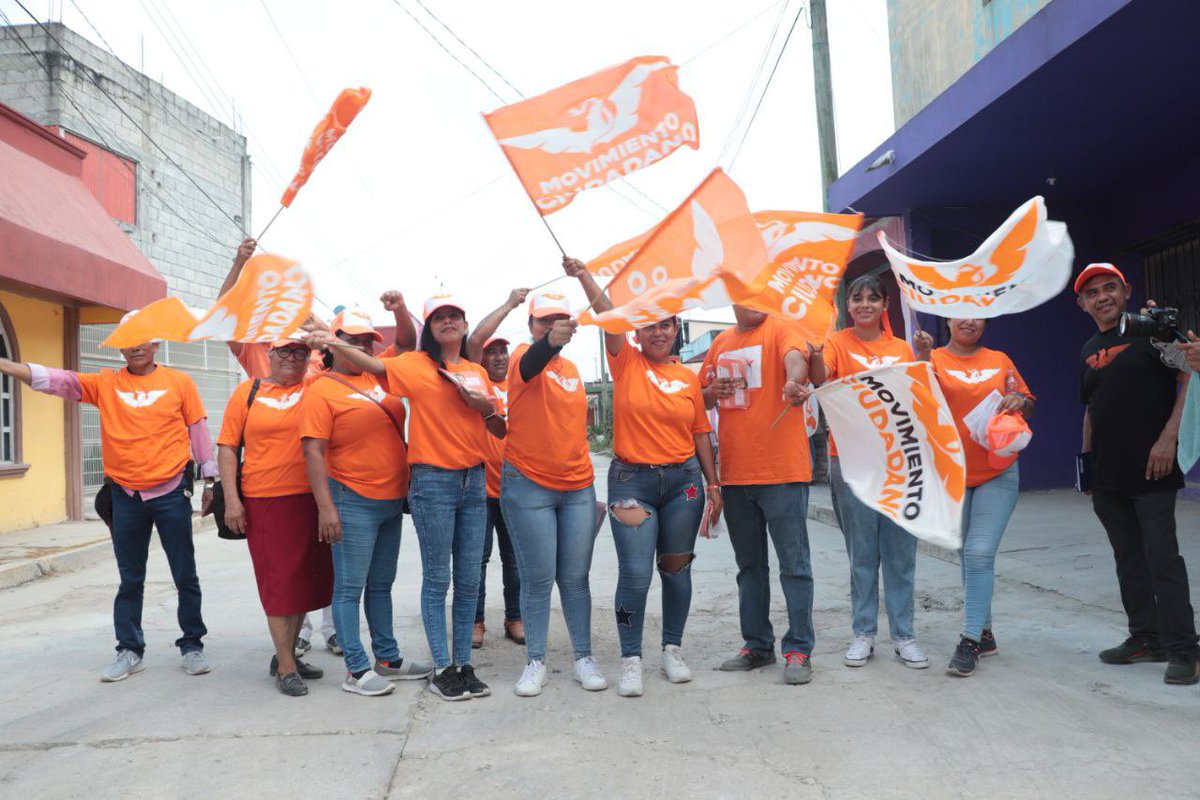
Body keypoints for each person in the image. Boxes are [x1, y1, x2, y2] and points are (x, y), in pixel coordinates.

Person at [0, 335, 216, 681]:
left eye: (142, 341)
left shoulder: (179, 381)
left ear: (156, 345)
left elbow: (198, 429)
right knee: (130, 579)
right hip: (125, 495)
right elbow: (57, 380)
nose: (136, 347)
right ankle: (129, 649)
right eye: (128, 342)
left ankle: (192, 644)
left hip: (172, 491)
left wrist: (210, 479)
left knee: (184, 574)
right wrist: (8, 365)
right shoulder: (106, 384)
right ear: (120, 348)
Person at [328, 296, 505, 702]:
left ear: (464, 324)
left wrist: (483, 408)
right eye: (439, 318)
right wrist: (330, 339)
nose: (448, 322)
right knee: (438, 578)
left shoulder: (477, 371)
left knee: (470, 579)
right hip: (433, 483)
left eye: (454, 316)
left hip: (474, 482)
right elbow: (374, 365)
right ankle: (442, 667)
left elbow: (498, 430)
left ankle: (463, 664)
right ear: (429, 328)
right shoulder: (415, 365)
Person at [584, 274, 721, 697]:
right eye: (649, 325)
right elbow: (608, 316)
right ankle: (631, 659)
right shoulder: (626, 361)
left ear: (675, 328)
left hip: (684, 483)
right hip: (632, 483)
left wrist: (714, 485)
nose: (658, 332)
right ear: (637, 332)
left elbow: (700, 432)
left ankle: (672, 650)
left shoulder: (687, 379)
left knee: (676, 571)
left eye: (665, 324)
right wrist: (585, 276)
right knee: (637, 575)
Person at [1075, 263, 1198, 685]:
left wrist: (1169, 440)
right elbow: (1091, 409)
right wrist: (1087, 466)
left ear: (1126, 291)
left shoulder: (1154, 333)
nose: (1103, 296)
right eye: (1093, 292)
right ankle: (1146, 638)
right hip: (1108, 475)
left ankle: (1185, 649)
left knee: (1162, 559)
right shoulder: (1089, 347)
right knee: (1128, 559)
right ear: (1083, 303)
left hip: (1153, 468)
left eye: (1110, 288)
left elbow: (1191, 377)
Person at [301, 309, 433, 697]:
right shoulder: (321, 389)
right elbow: (313, 451)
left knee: (381, 585)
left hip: (391, 499)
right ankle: (356, 668)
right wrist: (326, 508)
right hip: (351, 498)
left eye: (366, 341)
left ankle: (387, 658)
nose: (361, 346)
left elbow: (409, 340)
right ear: (333, 343)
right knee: (349, 587)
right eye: (352, 339)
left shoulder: (381, 374)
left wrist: (399, 306)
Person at [810, 273, 934, 670]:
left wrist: (925, 358)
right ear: (848, 306)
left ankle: (904, 635)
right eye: (858, 298)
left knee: (900, 553)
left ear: (884, 306)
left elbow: (919, 396)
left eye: (873, 298)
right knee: (861, 553)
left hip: (899, 462)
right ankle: (863, 632)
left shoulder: (902, 348)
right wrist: (814, 353)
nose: (865, 304)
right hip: (850, 459)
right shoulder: (836, 343)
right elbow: (818, 378)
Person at [501, 273, 607, 698]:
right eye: (545, 321)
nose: (553, 325)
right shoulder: (523, 357)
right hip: (529, 484)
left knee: (576, 578)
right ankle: (535, 662)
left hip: (578, 485)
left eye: (561, 319)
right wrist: (548, 343)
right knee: (538, 579)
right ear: (532, 326)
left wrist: (584, 277)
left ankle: (583, 657)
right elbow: (531, 365)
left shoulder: (575, 370)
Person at [702, 304, 819, 685]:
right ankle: (757, 645)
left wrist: (792, 382)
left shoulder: (781, 329)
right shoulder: (720, 342)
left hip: (782, 471)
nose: (749, 300)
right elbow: (701, 399)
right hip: (736, 475)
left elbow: (795, 357)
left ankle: (799, 648)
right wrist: (709, 391)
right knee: (750, 568)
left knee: (794, 566)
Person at [218, 339, 332, 696]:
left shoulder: (316, 387)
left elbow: (343, 356)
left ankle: (290, 656)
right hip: (265, 499)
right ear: (268, 354)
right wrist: (232, 501)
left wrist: (320, 337)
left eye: (300, 352)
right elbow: (227, 447)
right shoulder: (247, 392)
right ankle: (285, 666)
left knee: (302, 581)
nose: (291, 359)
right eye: (283, 351)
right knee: (279, 584)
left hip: (310, 499)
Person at [930, 318, 1034, 677]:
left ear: (985, 320)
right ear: (948, 319)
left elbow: (1028, 403)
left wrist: (1019, 399)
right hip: (953, 475)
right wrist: (916, 355)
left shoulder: (999, 359)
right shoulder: (932, 359)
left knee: (978, 551)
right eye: (960, 312)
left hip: (997, 470)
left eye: (976, 313)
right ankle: (986, 631)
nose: (968, 320)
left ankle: (969, 640)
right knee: (966, 555)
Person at [464, 288, 530, 648]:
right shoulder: (477, 380)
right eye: (492, 351)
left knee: (515, 559)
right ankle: (475, 622)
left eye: (503, 350)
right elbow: (473, 339)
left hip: (517, 487)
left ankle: (515, 618)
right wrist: (509, 304)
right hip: (480, 487)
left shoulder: (521, 383)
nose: (499, 356)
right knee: (477, 559)